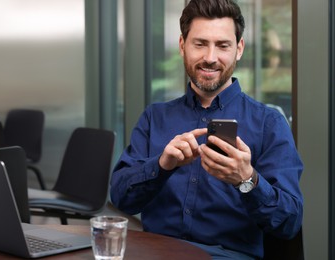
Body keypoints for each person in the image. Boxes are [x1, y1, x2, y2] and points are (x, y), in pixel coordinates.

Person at [110, 0, 303, 259]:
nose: (210, 58)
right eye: (200, 44)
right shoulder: (154, 117)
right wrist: (162, 165)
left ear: (239, 49)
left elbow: (289, 223)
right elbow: (121, 198)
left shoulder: (269, 123)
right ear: (182, 46)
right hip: (155, 253)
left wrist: (246, 180)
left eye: (223, 45)